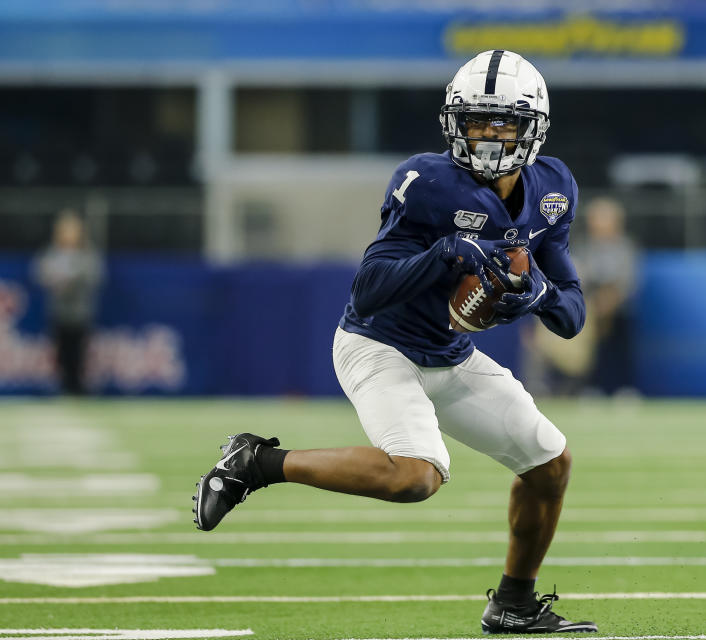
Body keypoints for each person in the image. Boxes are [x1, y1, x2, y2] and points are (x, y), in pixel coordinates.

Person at [192, 50, 597, 634]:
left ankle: (512, 603)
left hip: (451, 355)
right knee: (416, 476)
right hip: (379, 345)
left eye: (502, 121)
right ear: (454, 124)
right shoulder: (429, 182)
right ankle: (257, 462)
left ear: (532, 128)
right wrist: (446, 253)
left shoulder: (553, 189)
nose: (487, 134)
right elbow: (370, 288)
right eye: (477, 120)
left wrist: (532, 292)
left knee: (550, 464)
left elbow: (572, 314)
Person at [32, 210, 103, 395]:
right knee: (61, 352)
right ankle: (64, 387)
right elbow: (39, 273)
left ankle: (78, 388)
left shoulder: (86, 253)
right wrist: (56, 280)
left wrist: (73, 280)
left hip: (80, 312)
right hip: (58, 311)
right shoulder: (52, 253)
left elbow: (96, 276)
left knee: (78, 352)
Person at [577, 197, 640, 395]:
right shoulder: (584, 247)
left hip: (620, 309)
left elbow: (629, 281)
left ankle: (624, 388)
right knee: (592, 350)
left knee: (621, 349)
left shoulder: (626, 247)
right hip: (592, 308)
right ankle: (592, 388)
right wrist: (595, 302)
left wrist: (611, 301)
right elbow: (579, 276)